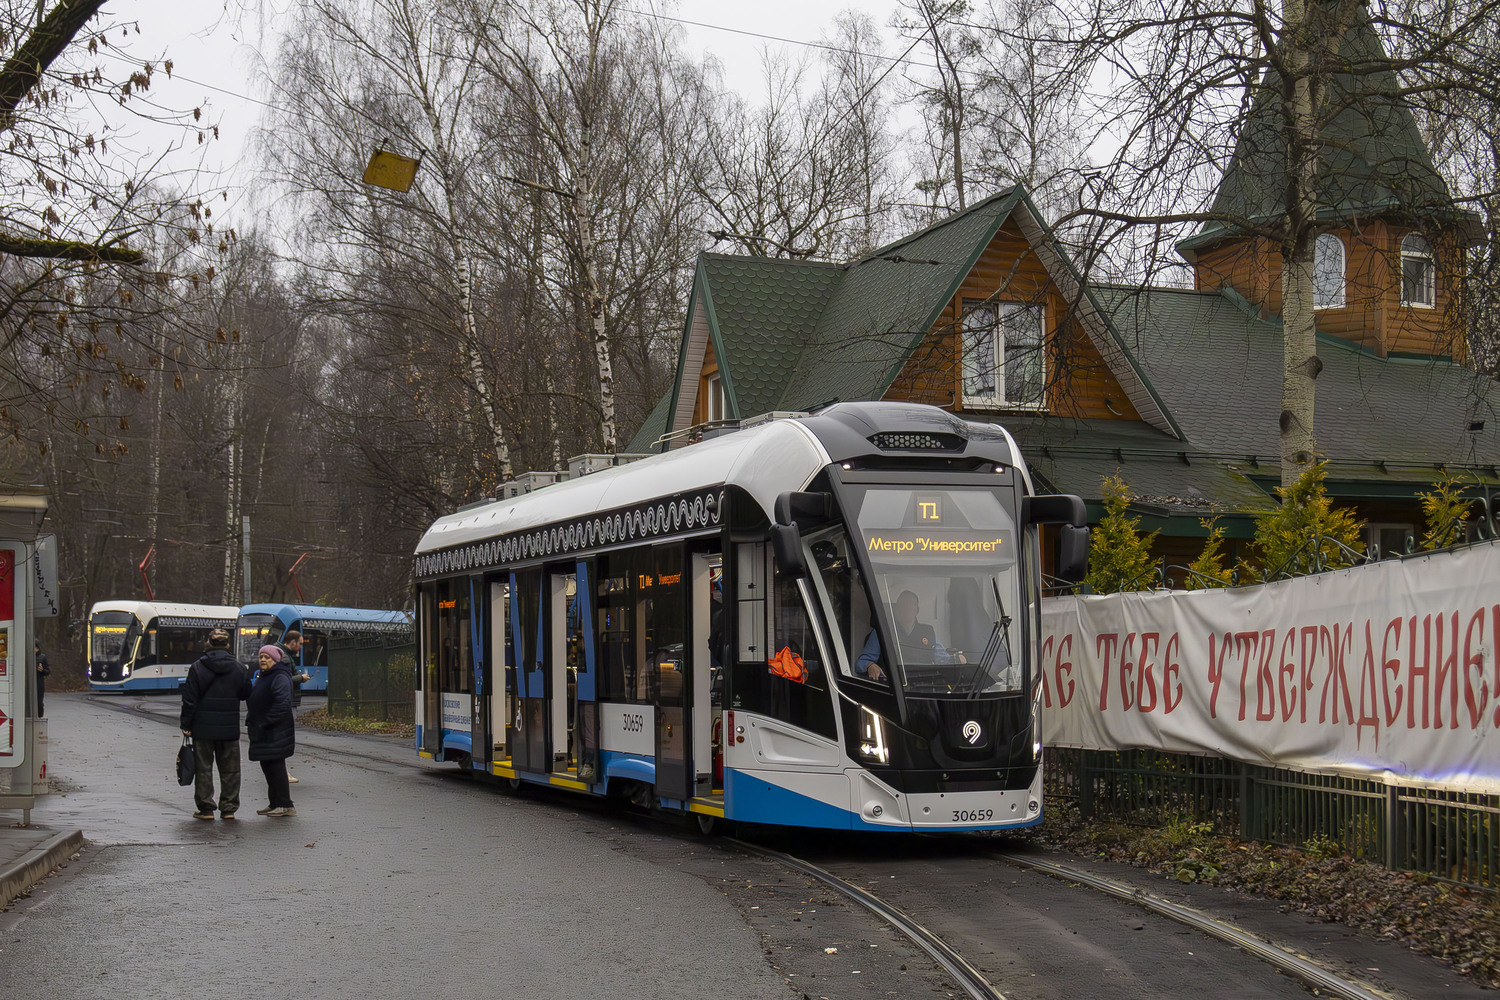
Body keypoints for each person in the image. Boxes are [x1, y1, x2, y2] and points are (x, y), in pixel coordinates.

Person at [179, 629, 253, 820]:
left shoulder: (197, 667)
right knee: (231, 769)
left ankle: (206, 808)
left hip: (202, 727)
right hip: (229, 727)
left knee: (203, 767)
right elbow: (246, 693)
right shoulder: (239, 667)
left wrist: (186, 724)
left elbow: (189, 699)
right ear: (227, 645)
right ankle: (228, 808)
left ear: (208, 643)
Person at [855, 590, 962, 682]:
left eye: (910, 605)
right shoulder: (883, 631)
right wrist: (869, 665)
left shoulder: (928, 632)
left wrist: (956, 659)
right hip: (893, 687)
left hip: (925, 685)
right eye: (902, 605)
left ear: (917, 610)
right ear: (896, 609)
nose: (906, 609)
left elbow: (942, 660)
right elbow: (861, 663)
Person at [246, 645, 296, 817]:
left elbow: (282, 704)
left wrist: (265, 722)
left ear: (275, 659)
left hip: (275, 730)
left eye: (267, 657)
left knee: (276, 766)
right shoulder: (264, 676)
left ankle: (285, 804)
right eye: (261, 657)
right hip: (264, 729)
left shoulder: (280, 676)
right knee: (267, 765)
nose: (263, 660)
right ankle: (274, 802)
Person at [277, 630, 312, 782]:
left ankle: (281, 771)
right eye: (300, 644)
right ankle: (282, 772)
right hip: (287, 702)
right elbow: (284, 679)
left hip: (285, 701)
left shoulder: (281, 653)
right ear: (292, 642)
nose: (300, 647)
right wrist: (300, 678)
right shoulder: (284, 657)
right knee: (284, 737)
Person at [33, 641, 48, 718]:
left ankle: (40, 717)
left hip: (39, 683)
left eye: (35, 647)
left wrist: (42, 670)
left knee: (39, 702)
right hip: (29, 683)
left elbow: (48, 671)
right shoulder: (26, 656)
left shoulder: (42, 657)